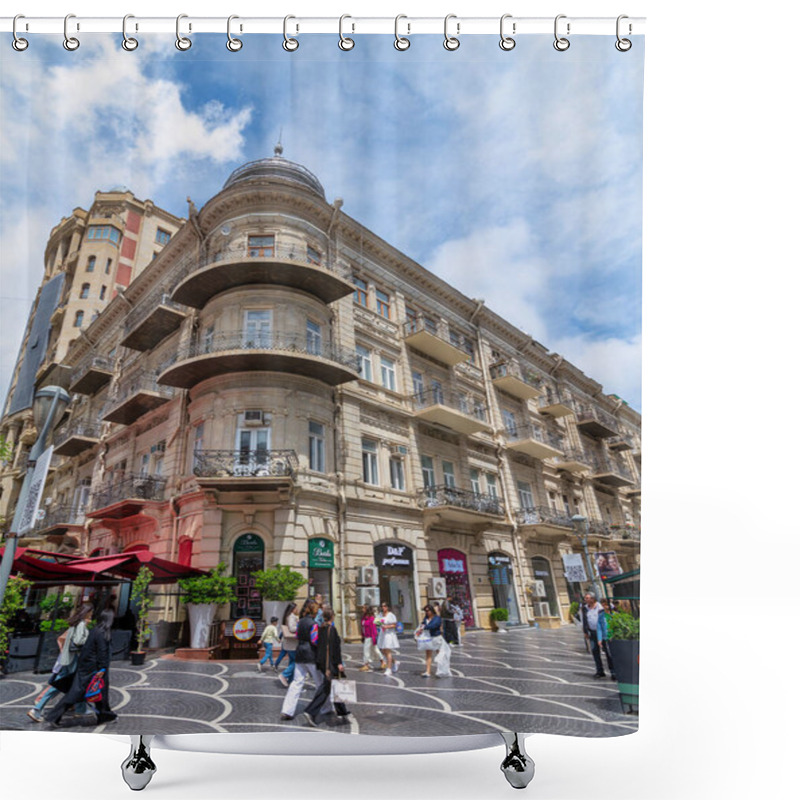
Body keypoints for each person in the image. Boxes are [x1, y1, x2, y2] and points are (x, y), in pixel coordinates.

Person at [46, 609, 118, 727]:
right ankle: (54, 716)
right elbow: (102, 652)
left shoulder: (95, 630)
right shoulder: (101, 633)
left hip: (87, 666)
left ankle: (104, 715)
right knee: (77, 693)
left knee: (99, 692)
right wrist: (102, 669)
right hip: (93, 668)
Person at [28, 603, 94, 722]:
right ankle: (37, 709)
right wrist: (90, 639)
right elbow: (78, 641)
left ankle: (80, 708)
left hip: (68, 658)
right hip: (73, 659)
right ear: (87, 612)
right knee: (63, 684)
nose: (92, 615)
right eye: (91, 612)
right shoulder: (81, 624)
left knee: (73, 684)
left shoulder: (75, 623)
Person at [303, 607, 347, 727]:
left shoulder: (320, 628)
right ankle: (310, 711)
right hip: (330, 664)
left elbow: (319, 646)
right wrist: (339, 663)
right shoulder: (331, 629)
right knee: (326, 688)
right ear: (332, 617)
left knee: (334, 686)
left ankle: (342, 711)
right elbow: (334, 649)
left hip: (322, 662)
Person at [280, 602, 322, 720]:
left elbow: (297, 635)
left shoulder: (301, 622)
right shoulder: (313, 624)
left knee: (296, 682)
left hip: (300, 653)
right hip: (311, 655)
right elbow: (315, 640)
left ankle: (287, 710)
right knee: (320, 683)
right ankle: (326, 708)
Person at [581, 592, 616, 680]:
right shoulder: (585, 608)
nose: (586, 600)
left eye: (588, 598)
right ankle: (600, 671)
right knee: (595, 652)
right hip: (592, 632)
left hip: (603, 633)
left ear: (593, 599)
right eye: (585, 598)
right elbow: (584, 620)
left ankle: (613, 672)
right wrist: (585, 631)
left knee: (608, 653)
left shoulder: (600, 607)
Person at [416, 605, 443, 677]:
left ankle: (441, 670)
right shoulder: (426, 618)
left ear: (432, 610)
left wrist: (424, 627)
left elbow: (434, 626)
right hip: (428, 638)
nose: (427, 612)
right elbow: (422, 624)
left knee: (439, 654)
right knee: (428, 654)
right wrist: (420, 629)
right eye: (425, 611)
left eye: (428, 610)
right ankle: (428, 671)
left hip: (436, 637)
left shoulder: (437, 618)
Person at [276, 603, 299, 687]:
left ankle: (291, 682)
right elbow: (292, 629)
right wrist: (299, 625)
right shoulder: (291, 617)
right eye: (296, 608)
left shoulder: (287, 617)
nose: (297, 609)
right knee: (296, 662)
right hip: (292, 644)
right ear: (293, 609)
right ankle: (284, 675)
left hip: (289, 644)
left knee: (292, 662)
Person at [358, 605, 384, 672]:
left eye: (364, 608)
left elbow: (377, 627)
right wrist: (362, 635)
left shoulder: (372, 618)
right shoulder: (364, 617)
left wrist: (374, 638)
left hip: (370, 637)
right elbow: (362, 627)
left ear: (367, 609)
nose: (362, 609)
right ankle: (383, 662)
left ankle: (366, 665)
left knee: (366, 650)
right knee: (375, 650)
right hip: (366, 636)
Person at [377, 601, 400, 676]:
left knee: (388, 651)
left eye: (384, 606)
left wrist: (387, 626)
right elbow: (376, 622)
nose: (383, 608)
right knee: (383, 651)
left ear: (388, 607)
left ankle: (389, 669)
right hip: (382, 634)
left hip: (389, 634)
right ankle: (395, 661)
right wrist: (378, 623)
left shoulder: (391, 615)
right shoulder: (380, 614)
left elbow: (395, 625)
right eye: (382, 606)